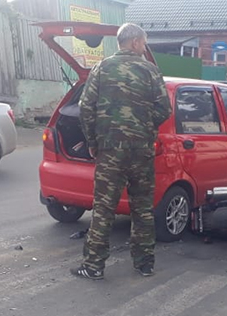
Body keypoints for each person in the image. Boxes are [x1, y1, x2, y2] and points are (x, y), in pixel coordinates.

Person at [71, 23, 172, 280]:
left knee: (104, 208)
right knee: (142, 208)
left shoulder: (102, 68)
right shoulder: (150, 70)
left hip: (109, 151)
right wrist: (144, 128)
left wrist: (93, 141)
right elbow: (164, 109)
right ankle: (144, 264)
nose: (144, 46)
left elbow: (85, 108)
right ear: (136, 42)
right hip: (141, 151)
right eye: (144, 42)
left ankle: (93, 266)